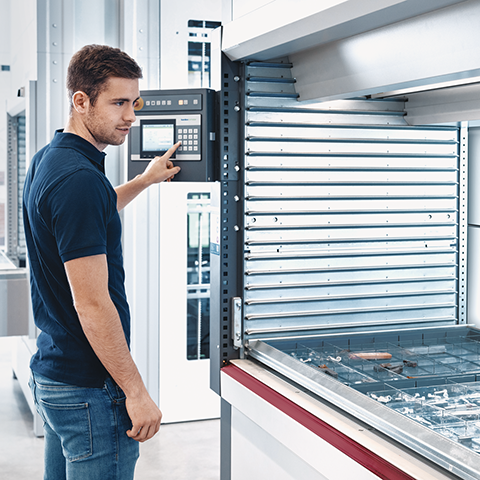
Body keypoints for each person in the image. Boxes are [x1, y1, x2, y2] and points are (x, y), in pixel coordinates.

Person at [23, 44, 180, 480]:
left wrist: (143, 181)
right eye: (118, 103)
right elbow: (92, 304)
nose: (130, 116)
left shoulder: (51, 160)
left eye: (134, 102)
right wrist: (136, 391)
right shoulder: (79, 180)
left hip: (55, 374)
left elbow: (87, 216)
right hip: (90, 387)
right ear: (81, 101)